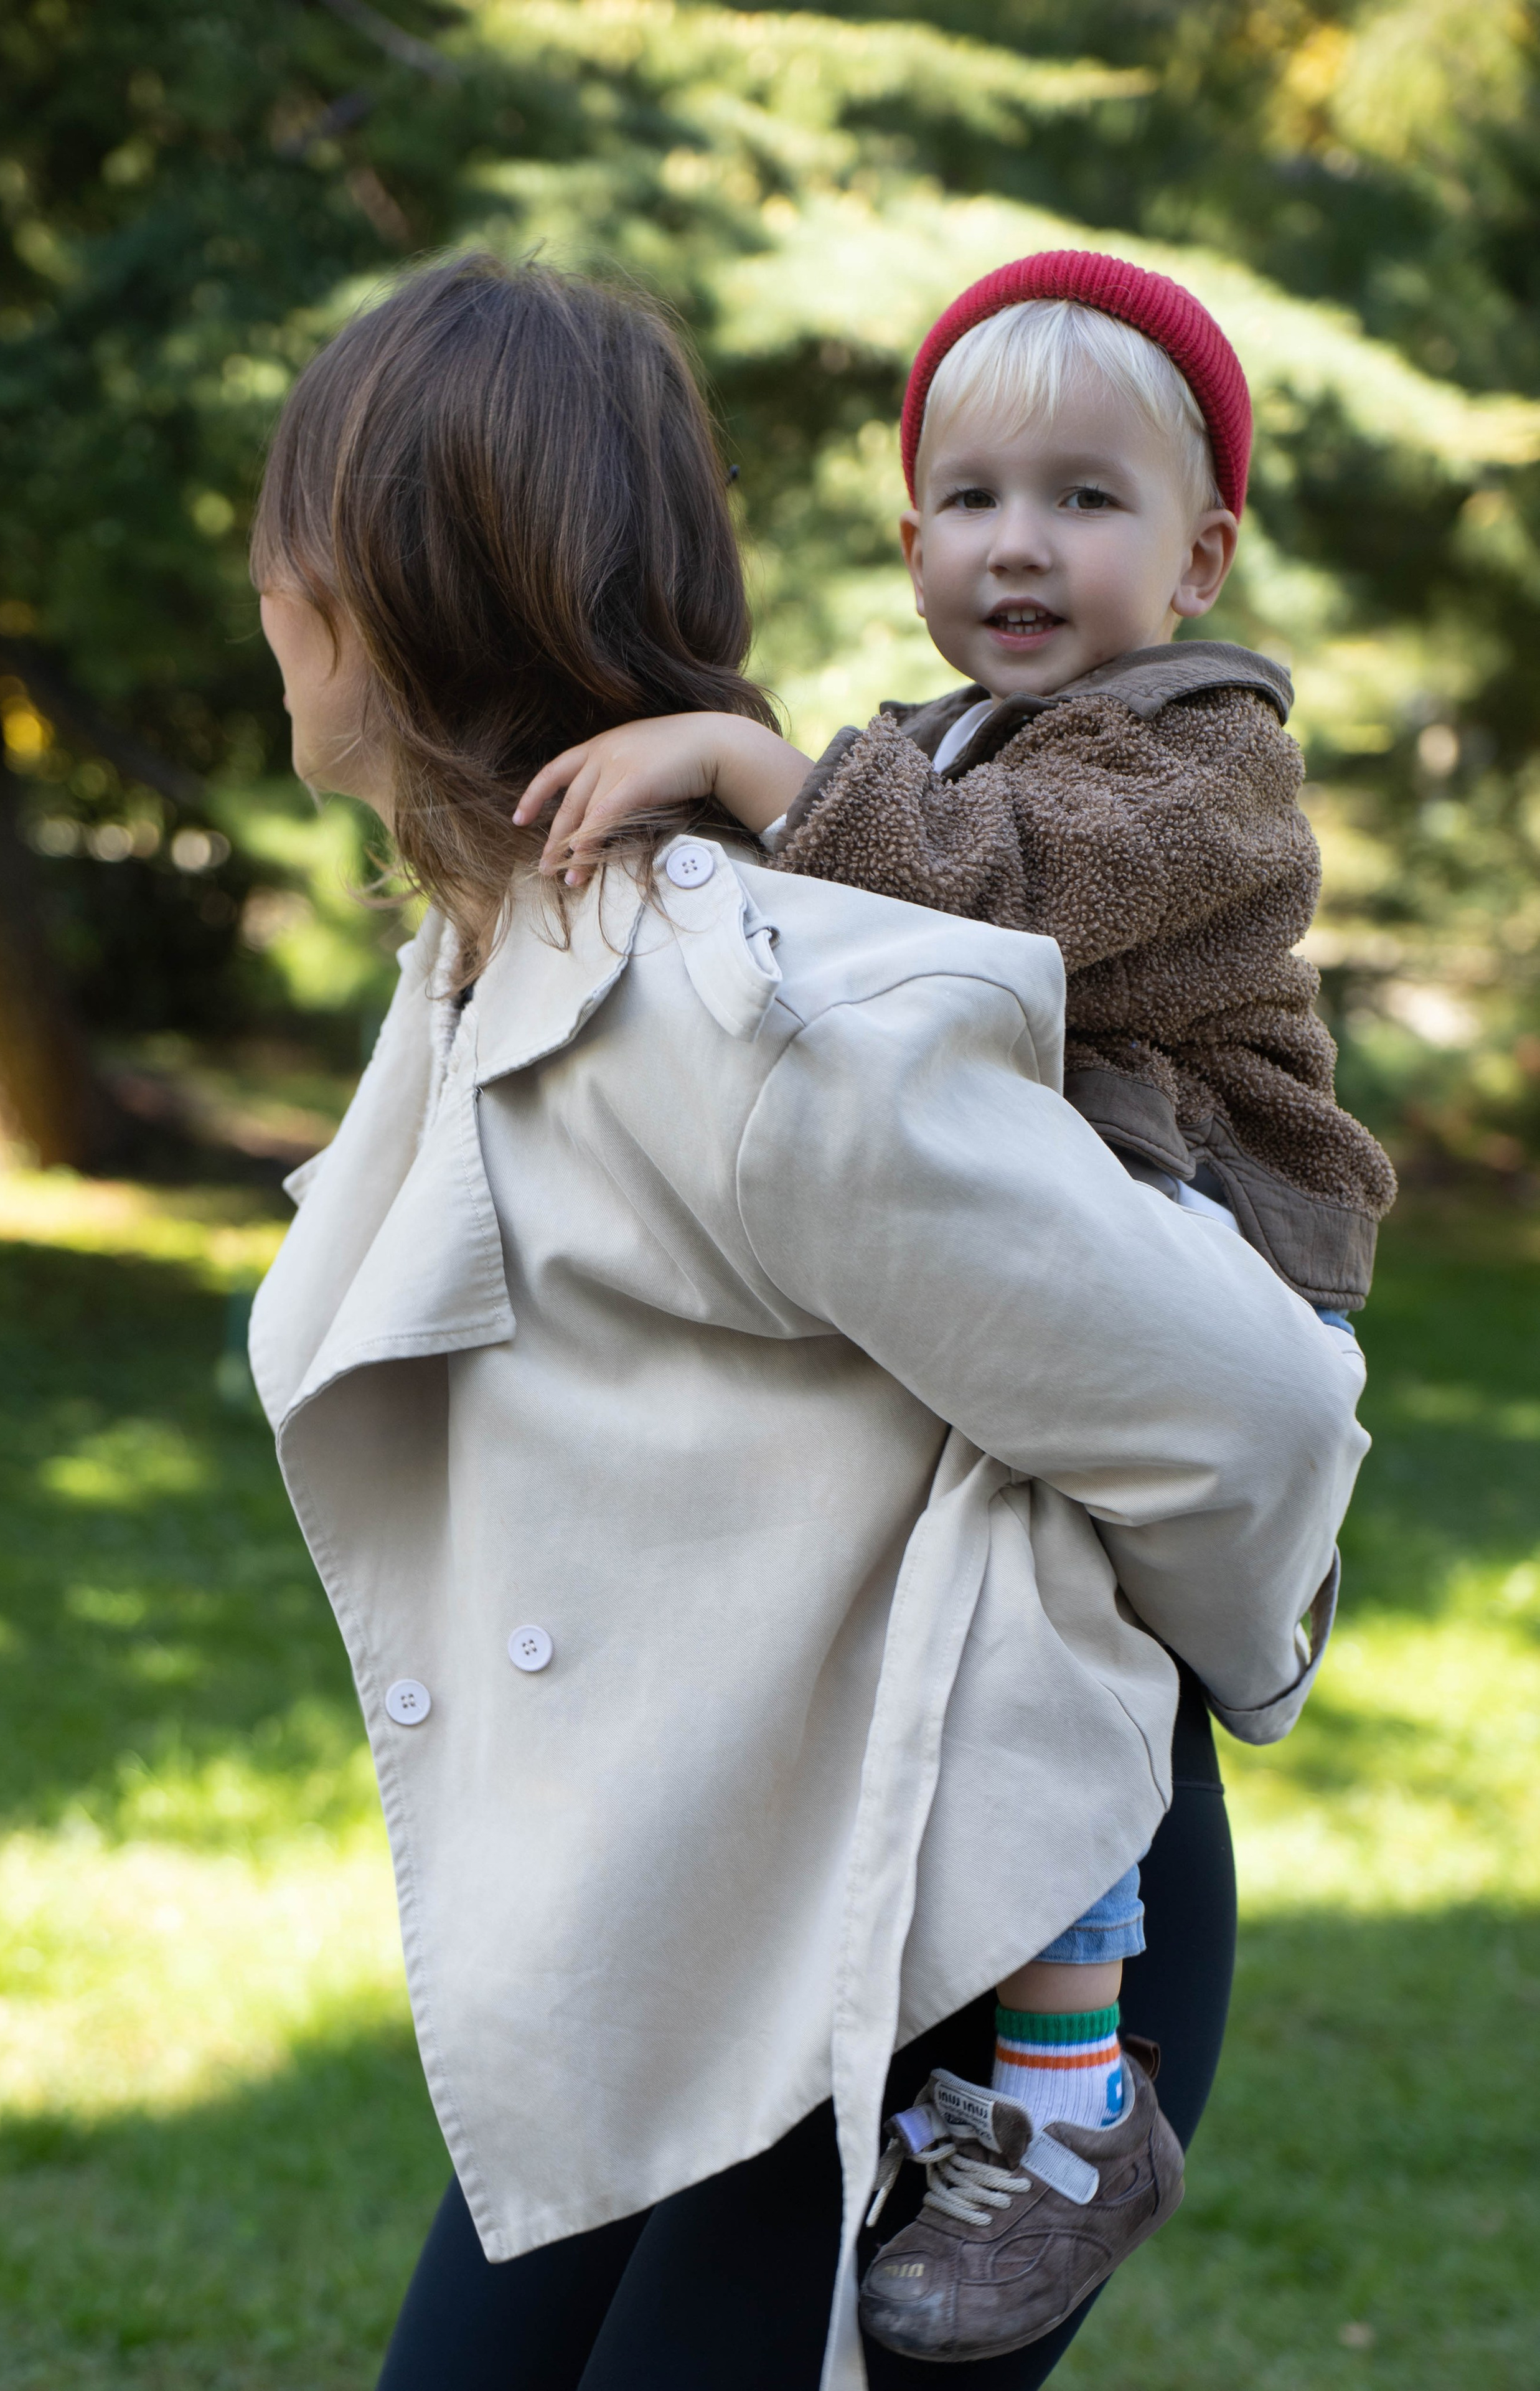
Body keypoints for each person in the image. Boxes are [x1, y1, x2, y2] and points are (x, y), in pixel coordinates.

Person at [248, 249, 1368, 2391]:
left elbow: (1253, 1420)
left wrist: (1174, 1667)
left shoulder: (733, 996)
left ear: (387, 581)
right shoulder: (498, 949)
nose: (264, 595)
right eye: (970, 499)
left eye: (291, 540)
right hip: (703, 1912)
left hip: (947, 1931)